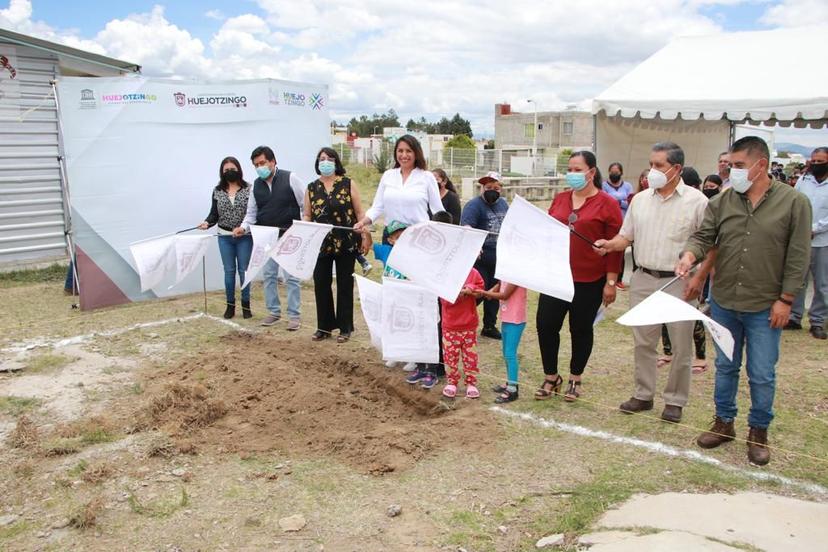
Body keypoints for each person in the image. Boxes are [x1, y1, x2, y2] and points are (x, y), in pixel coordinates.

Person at [677, 136, 812, 466]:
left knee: (762, 373)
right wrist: (690, 254)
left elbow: (798, 256)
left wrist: (786, 299)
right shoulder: (723, 201)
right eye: (728, 165)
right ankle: (724, 423)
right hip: (724, 300)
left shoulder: (794, 203)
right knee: (725, 367)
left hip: (767, 304)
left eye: (737, 166)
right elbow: (705, 235)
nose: (730, 171)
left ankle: (758, 430)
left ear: (760, 165)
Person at [595, 142, 708, 423]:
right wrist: (610, 245)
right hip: (643, 278)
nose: (652, 172)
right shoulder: (640, 200)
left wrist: (699, 278)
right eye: (651, 164)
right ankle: (643, 395)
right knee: (643, 342)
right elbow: (626, 237)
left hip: (679, 282)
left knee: (681, 345)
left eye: (659, 166)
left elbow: (708, 243)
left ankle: (675, 401)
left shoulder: (697, 201)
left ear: (676, 169)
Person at [537, 151, 622, 402]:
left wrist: (610, 282)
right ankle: (551, 376)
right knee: (546, 325)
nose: (572, 174)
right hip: (556, 277)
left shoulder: (608, 203)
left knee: (581, 329)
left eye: (577, 169)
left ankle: (575, 378)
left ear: (591, 173)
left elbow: (615, 248)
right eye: (570, 169)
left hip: (589, 280)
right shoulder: (560, 198)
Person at [303, 147, 371, 343]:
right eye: (321, 159)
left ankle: (345, 327)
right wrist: (304, 226)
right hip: (321, 242)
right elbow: (308, 214)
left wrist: (365, 235)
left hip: (346, 241)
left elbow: (359, 213)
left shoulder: (348, 184)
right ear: (317, 163)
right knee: (321, 283)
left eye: (329, 158)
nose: (325, 162)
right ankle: (323, 327)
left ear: (336, 162)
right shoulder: (311, 187)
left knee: (344, 284)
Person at [237, 145, 306, 330]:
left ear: (273, 161)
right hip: (266, 237)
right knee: (269, 275)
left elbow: (304, 203)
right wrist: (243, 228)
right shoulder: (255, 186)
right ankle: (274, 312)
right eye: (256, 165)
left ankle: (294, 315)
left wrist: (302, 227)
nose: (260, 167)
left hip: (290, 235)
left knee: (291, 277)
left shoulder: (290, 178)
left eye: (262, 163)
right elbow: (251, 213)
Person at [198, 157, 253, 319]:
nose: (230, 172)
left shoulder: (249, 189)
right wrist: (207, 223)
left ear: (239, 169)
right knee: (229, 271)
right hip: (224, 237)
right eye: (226, 170)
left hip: (245, 237)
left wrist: (244, 228)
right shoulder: (217, 190)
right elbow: (214, 214)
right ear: (222, 173)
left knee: (244, 271)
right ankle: (230, 306)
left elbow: (252, 213)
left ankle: (246, 305)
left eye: (233, 168)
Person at [355, 134, 445, 233]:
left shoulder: (427, 177)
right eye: (400, 151)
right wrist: (362, 222)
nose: (404, 155)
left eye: (409, 151)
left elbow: (438, 210)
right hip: (391, 236)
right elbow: (377, 207)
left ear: (416, 153)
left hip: (417, 236)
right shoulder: (388, 175)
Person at [460, 171, 509, 340]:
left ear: (500, 189)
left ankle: (489, 325)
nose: (492, 190)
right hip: (481, 256)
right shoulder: (473, 205)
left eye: (496, 188)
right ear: (482, 188)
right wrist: (473, 244)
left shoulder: (503, 204)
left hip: (500, 255)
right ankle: (460, 320)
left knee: (495, 291)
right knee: (478, 291)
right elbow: (466, 226)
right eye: (488, 187)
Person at [788, 146, 828, 340]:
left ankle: (818, 321)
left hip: (823, 241)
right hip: (800, 240)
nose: (816, 164)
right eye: (814, 161)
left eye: (821, 161)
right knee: (797, 279)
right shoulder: (803, 181)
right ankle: (794, 317)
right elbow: (793, 203)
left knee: (822, 284)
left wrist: (814, 228)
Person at [440, 267, 486, 399]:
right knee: (450, 356)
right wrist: (460, 293)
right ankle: (452, 382)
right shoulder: (445, 274)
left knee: (470, 356)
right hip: (450, 325)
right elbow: (444, 300)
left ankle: (471, 383)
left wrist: (470, 289)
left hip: (469, 324)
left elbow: (480, 290)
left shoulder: (473, 272)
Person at [479, 281, 527, 403]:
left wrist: (484, 292)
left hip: (515, 319)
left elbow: (505, 295)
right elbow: (500, 283)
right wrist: (491, 290)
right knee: (506, 353)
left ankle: (513, 389)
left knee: (510, 354)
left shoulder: (517, 274)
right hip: (507, 317)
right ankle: (510, 382)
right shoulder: (507, 272)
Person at [602, 162, 633, 290]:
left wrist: (617, 201)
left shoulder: (627, 186)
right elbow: (604, 200)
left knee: (620, 250)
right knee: (608, 247)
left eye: (617, 171)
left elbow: (630, 201)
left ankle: (618, 279)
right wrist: (621, 201)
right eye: (612, 171)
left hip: (624, 221)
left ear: (621, 172)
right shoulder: (604, 185)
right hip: (608, 222)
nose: (614, 173)